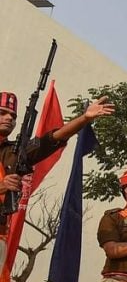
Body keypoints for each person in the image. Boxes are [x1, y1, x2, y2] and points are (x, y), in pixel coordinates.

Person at [0, 93, 114, 234]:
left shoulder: (14, 151)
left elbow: (53, 139)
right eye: (2, 113)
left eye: (13, 116)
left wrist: (84, 118)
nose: (9, 118)